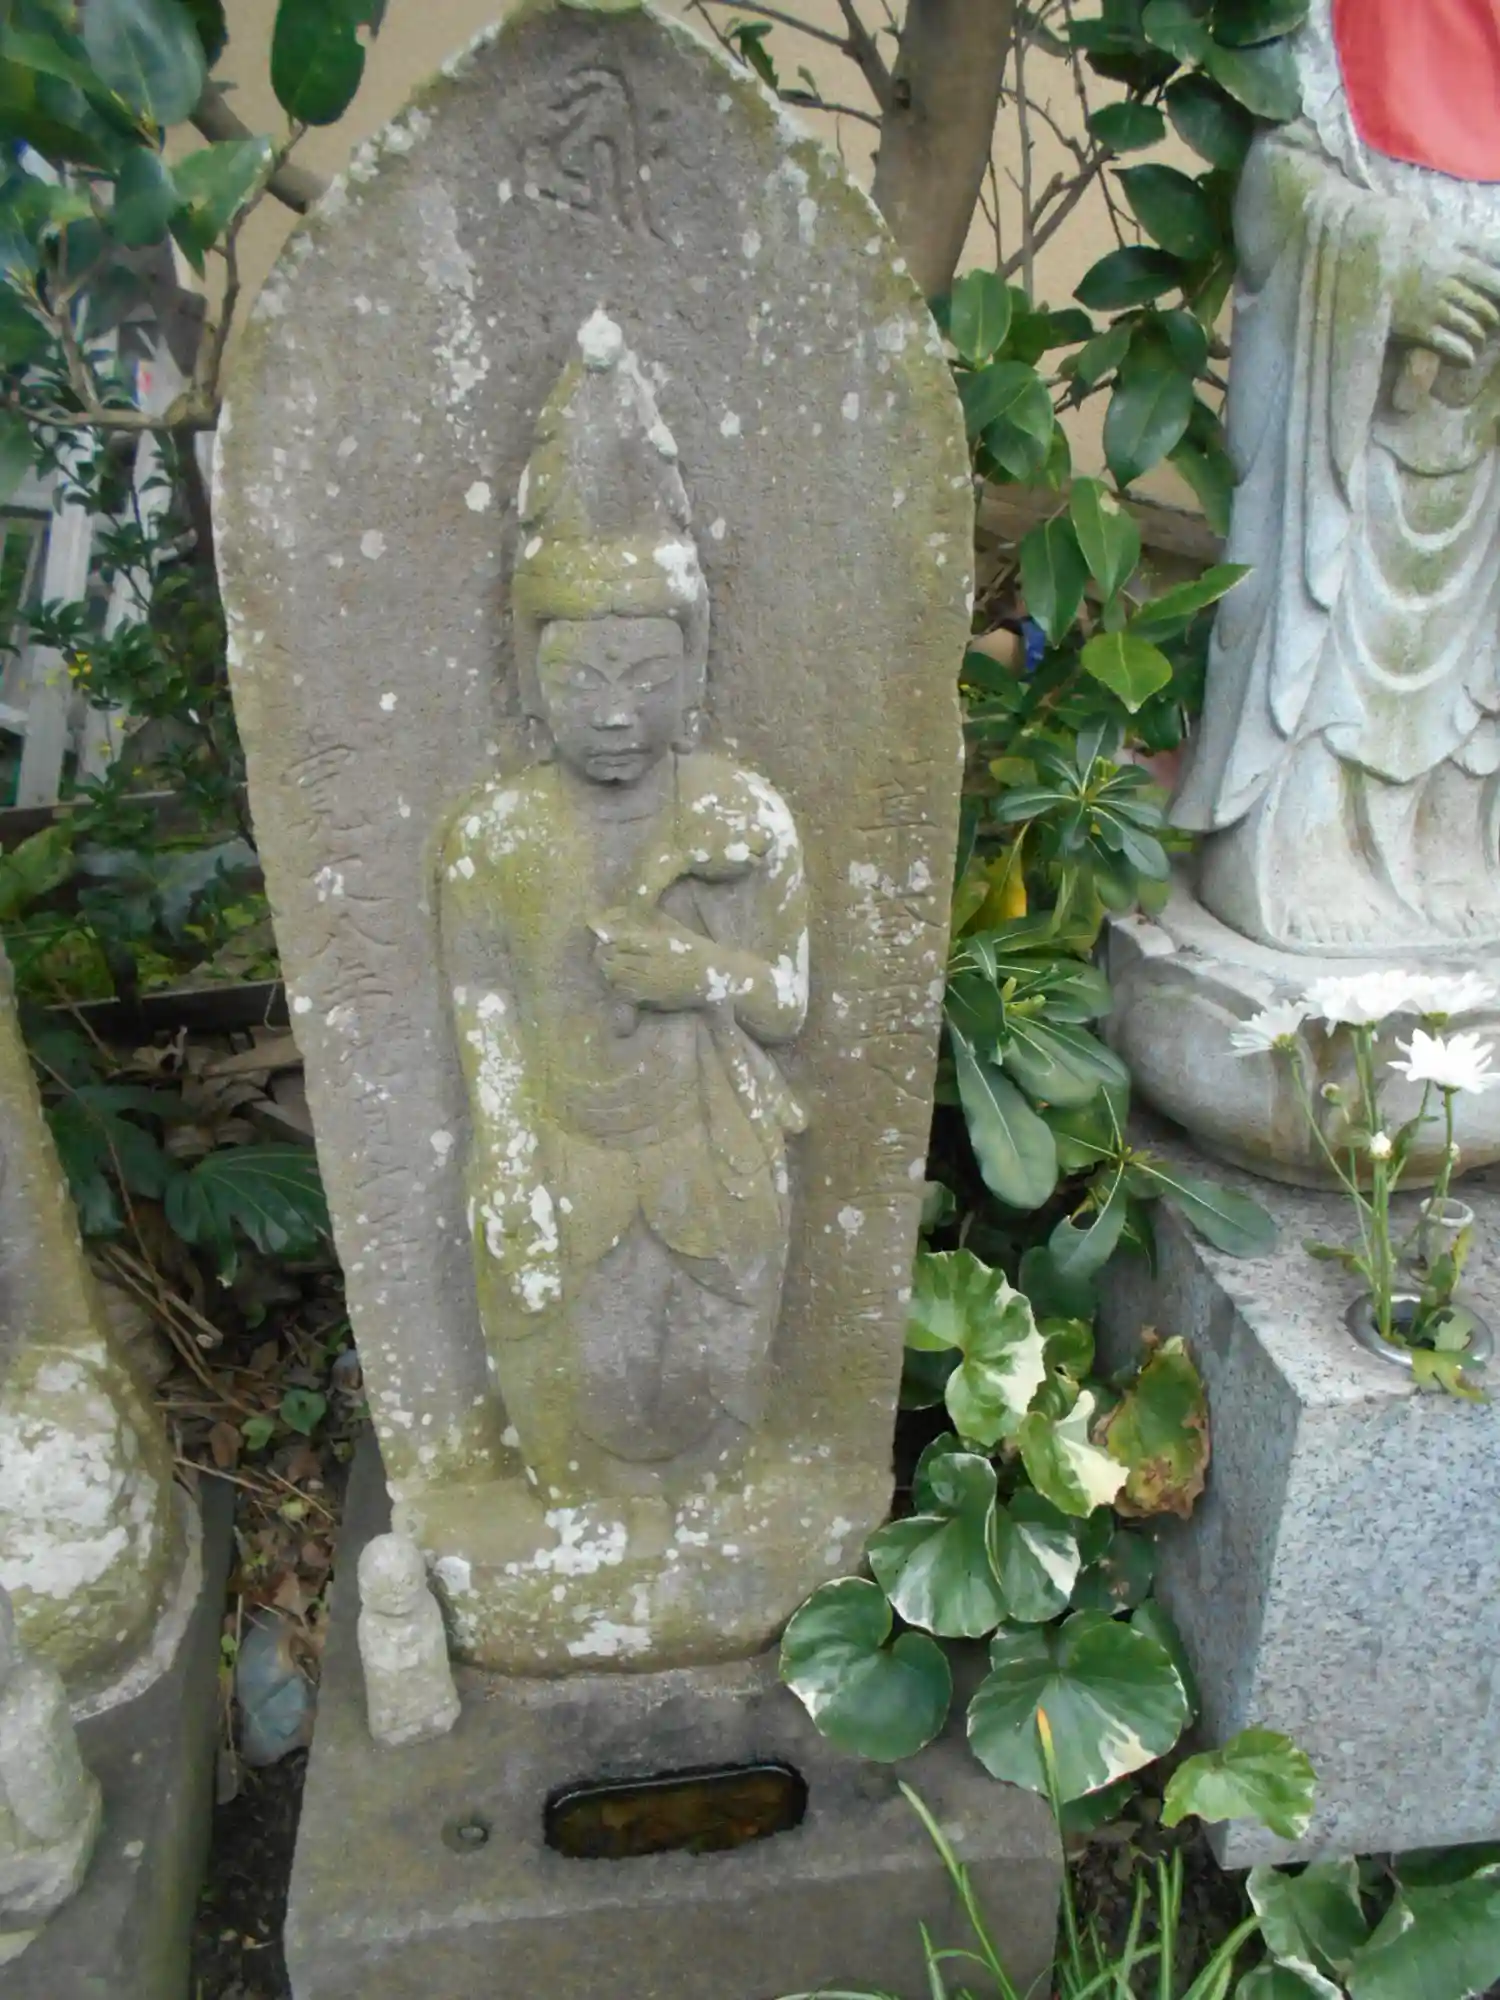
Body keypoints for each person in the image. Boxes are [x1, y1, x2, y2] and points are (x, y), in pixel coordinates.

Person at [439, 312, 809, 1506]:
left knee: (711, 1386)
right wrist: (507, 1154)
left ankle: (705, 1489)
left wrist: (697, 970)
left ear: (691, 676)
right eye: (578, 678)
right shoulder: (494, 835)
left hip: (706, 1142)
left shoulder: (740, 811)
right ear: (529, 678)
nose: (612, 712)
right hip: (560, 1139)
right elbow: (485, 1001)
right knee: (562, 1393)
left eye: (646, 678)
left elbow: (786, 1001)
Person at [1173, 0, 1500, 952]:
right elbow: (1277, 190)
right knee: (1335, 599)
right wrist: (1389, 268)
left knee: (1476, 637)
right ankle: (1307, 846)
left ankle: (1449, 840)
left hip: (1480, 428)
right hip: (1355, 427)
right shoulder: (1341, 24)